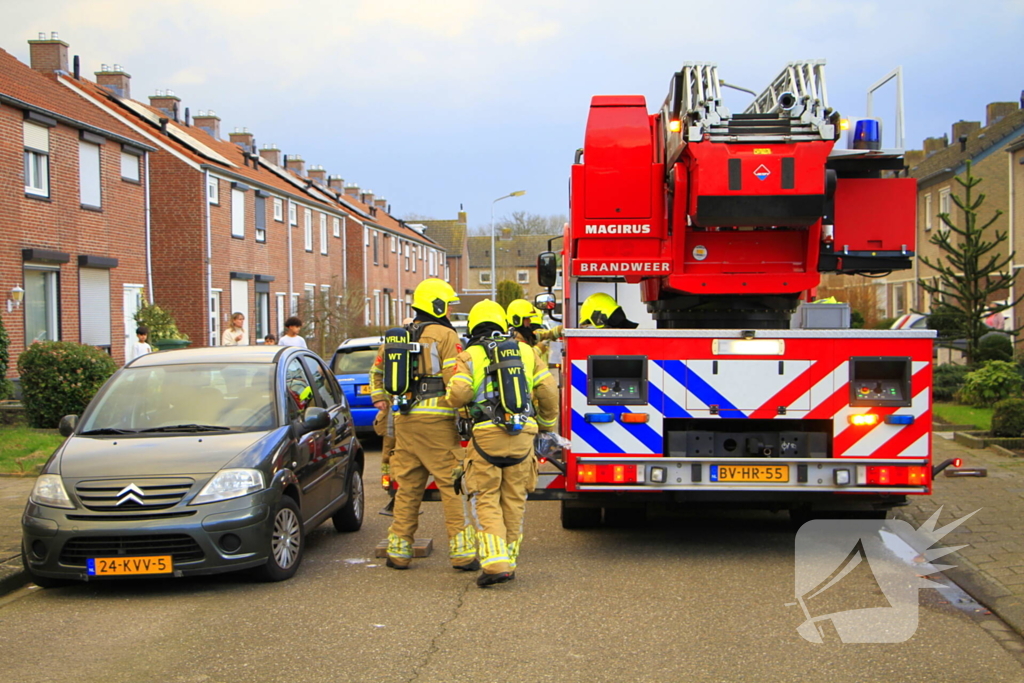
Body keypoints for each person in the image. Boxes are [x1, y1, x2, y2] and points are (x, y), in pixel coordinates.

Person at [447, 299, 559, 586]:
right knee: (514, 499)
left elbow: (459, 394)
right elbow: (547, 390)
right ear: (502, 325)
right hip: (523, 436)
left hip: (486, 437)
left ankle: (496, 563)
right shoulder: (526, 351)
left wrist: (452, 399)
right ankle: (508, 558)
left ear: (473, 326)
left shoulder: (469, 355)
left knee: (486, 497)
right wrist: (546, 427)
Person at [369, 278, 477, 571]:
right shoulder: (444, 335)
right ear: (438, 305)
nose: (451, 311)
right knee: (452, 486)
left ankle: (399, 551)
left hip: (403, 421)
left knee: (407, 487)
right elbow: (455, 380)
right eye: (449, 305)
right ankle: (463, 554)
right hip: (437, 423)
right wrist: (466, 415)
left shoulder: (398, 337)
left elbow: (376, 371)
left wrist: (381, 400)